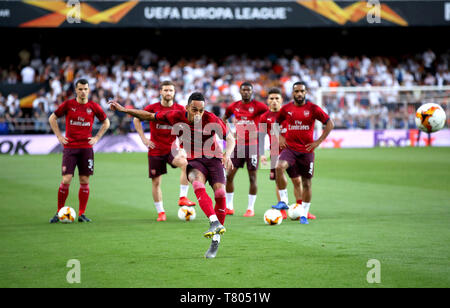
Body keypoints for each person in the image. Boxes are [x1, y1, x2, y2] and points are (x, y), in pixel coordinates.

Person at [109, 92, 235, 259]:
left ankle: (216, 241)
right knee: (197, 183)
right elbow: (148, 116)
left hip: (214, 159)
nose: (198, 114)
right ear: (187, 107)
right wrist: (125, 110)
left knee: (219, 193)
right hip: (194, 161)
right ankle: (213, 222)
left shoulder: (211, 119)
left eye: (201, 110)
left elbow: (230, 137)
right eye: (194, 110)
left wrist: (228, 153)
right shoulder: (176, 115)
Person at [48, 79, 110, 223]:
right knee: (66, 179)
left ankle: (82, 214)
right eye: (80, 89)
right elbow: (52, 118)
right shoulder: (69, 105)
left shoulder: (93, 106)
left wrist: (97, 137)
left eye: (85, 89)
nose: (83, 91)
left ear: (89, 90)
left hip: (86, 149)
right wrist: (59, 136)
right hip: (70, 148)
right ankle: (59, 212)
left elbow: (106, 122)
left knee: (84, 180)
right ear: (76, 90)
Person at [133, 80, 196, 222]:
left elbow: (186, 128)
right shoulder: (152, 108)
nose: (168, 93)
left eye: (171, 90)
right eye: (166, 90)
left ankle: (183, 197)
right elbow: (137, 119)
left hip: (172, 149)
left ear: (174, 93)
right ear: (160, 92)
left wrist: (182, 147)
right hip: (155, 150)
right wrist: (144, 139)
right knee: (156, 183)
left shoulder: (180, 109)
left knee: (186, 164)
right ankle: (161, 212)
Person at [272, 82, 333, 224]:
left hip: (307, 151)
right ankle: (284, 200)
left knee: (306, 183)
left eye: (302, 91)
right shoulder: (286, 108)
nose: (299, 94)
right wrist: (280, 137)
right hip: (290, 149)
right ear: (293, 93)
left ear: (306, 92)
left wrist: (318, 141)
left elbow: (330, 123)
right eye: (296, 91)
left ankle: (304, 214)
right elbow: (275, 123)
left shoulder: (313, 108)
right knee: (279, 166)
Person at [259, 88, 316, 220]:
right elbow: (261, 136)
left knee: (297, 180)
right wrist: (262, 153)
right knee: (278, 182)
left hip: (291, 150)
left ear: (281, 100)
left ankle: (300, 209)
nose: (274, 101)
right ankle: (283, 210)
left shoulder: (289, 113)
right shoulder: (264, 117)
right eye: (271, 99)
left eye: (277, 99)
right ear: (267, 100)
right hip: (274, 152)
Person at [223, 81, 268, 217]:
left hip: (253, 146)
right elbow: (224, 118)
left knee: (252, 178)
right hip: (238, 145)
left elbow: (271, 116)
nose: (246, 92)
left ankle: (250, 208)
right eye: (244, 90)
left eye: (249, 90)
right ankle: (229, 206)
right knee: (229, 175)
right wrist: (230, 132)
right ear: (240, 91)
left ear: (252, 91)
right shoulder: (234, 106)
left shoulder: (259, 106)